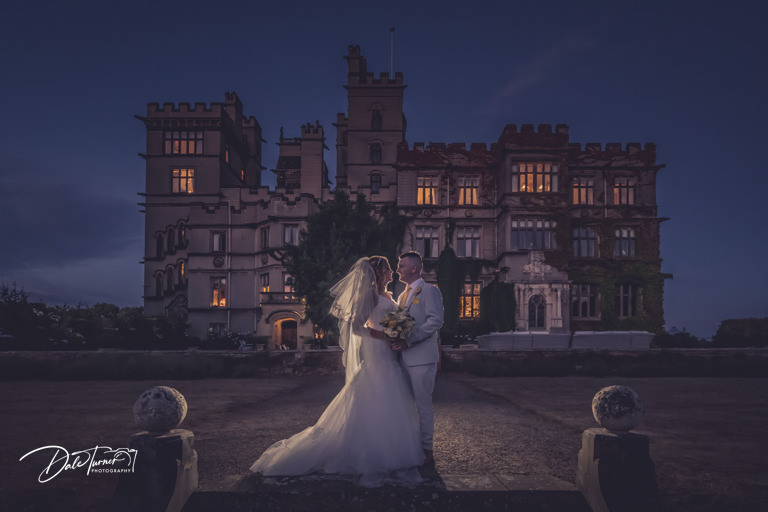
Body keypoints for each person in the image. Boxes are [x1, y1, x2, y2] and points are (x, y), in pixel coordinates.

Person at [250, 256, 424, 486]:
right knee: (378, 392)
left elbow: (392, 322)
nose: (392, 272)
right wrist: (385, 335)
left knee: (391, 395)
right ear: (380, 273)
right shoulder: (369, 295)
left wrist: (399, 332)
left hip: (389, 353)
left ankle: (392, 449)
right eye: (389, 269)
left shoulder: (388, 296)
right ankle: (372, 453)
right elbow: (356, 326)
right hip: (376, 350)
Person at [392, 251, 444, 467]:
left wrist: (409, 340)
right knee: (406, 406)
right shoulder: (401, 296)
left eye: (401, 266)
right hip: (403, 359)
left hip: (422, 359)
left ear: (414, 268)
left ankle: (426, 449)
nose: (398, 270)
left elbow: (435, 321)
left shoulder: (430, 291)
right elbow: (399, 326)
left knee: (423, 406)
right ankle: (411, 446)